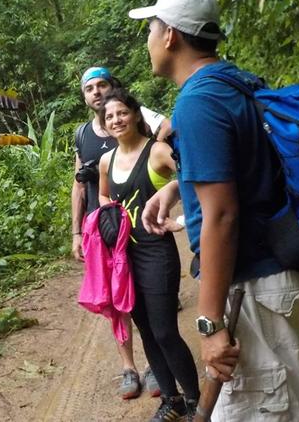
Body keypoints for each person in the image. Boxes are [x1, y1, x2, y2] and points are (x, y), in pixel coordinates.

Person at [130, 0, 299, 422]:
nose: (148, 39)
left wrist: (209, 323)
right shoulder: (235, 83)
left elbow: (222, 215)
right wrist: (179, 187)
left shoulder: (200, 102)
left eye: (151, 28)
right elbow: (245, 171)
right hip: (272, 280)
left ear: (170, 36)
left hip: (253, 288)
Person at [98, 88, 200, 421]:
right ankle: (171, 400)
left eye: (122, 113)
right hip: (124, 259)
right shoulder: (106, 160)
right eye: (109, 116)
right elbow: (102, 195)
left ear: (136, 115)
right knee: (145, 329)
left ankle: (197, 401)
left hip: (157, 253)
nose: (116, 119)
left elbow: (192, 176)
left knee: (165, 330)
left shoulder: (156, 152)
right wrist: (110, 217)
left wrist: (182, 218)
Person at [71, 66, 164, 399]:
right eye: (89, 88)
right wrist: (77, 233)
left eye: (101, 85)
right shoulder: (83, 134)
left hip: (138, 225)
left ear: (112, 88)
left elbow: (161, 138)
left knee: (141, 294)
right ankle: (129, 367)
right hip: (103, 229)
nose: (96, 92)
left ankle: (156, 364)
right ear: (84, 97)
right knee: (114, 300)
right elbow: (78, 186)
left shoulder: (125, 120)